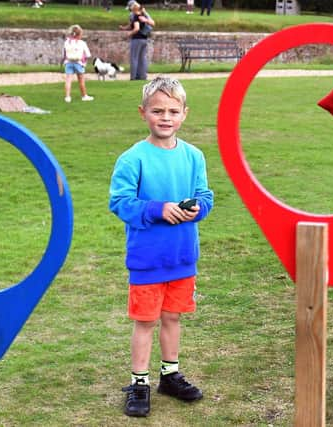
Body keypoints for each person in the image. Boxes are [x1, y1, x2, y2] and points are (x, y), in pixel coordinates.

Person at [109, 76, 215, 418]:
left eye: (173, 110)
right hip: (147, 260)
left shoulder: (194, 156)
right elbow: (120, 202)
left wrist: (198, 208)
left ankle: (170, 375)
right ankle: (139, 383)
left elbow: (205, 195)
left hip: (182, 257)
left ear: (185, 114)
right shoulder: (132, 159)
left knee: (173, 317)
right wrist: (157, 209)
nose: (165, 117)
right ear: (143, 113)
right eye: (157, 110)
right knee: (146, 322)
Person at [122, 1, 155, 80]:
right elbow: (133, 25)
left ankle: (133, 77)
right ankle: (143, 76)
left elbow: (136, 28)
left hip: (137, 39)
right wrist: (124, 28)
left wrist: (129, 34)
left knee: (134, 58)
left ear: (132, 8)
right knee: (142, 58)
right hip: (144, 39)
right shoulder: (143, 14)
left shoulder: (135, 16)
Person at [62, 24, 93, 103]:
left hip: (69, 62)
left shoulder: (67, 42)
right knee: (81, 80)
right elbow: (88, 54)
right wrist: (84, 61)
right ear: (79, 34)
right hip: (78, 63)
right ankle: (84, 96)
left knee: (68, 80)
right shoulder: (82, 43)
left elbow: (64, 54)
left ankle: (67, 97)